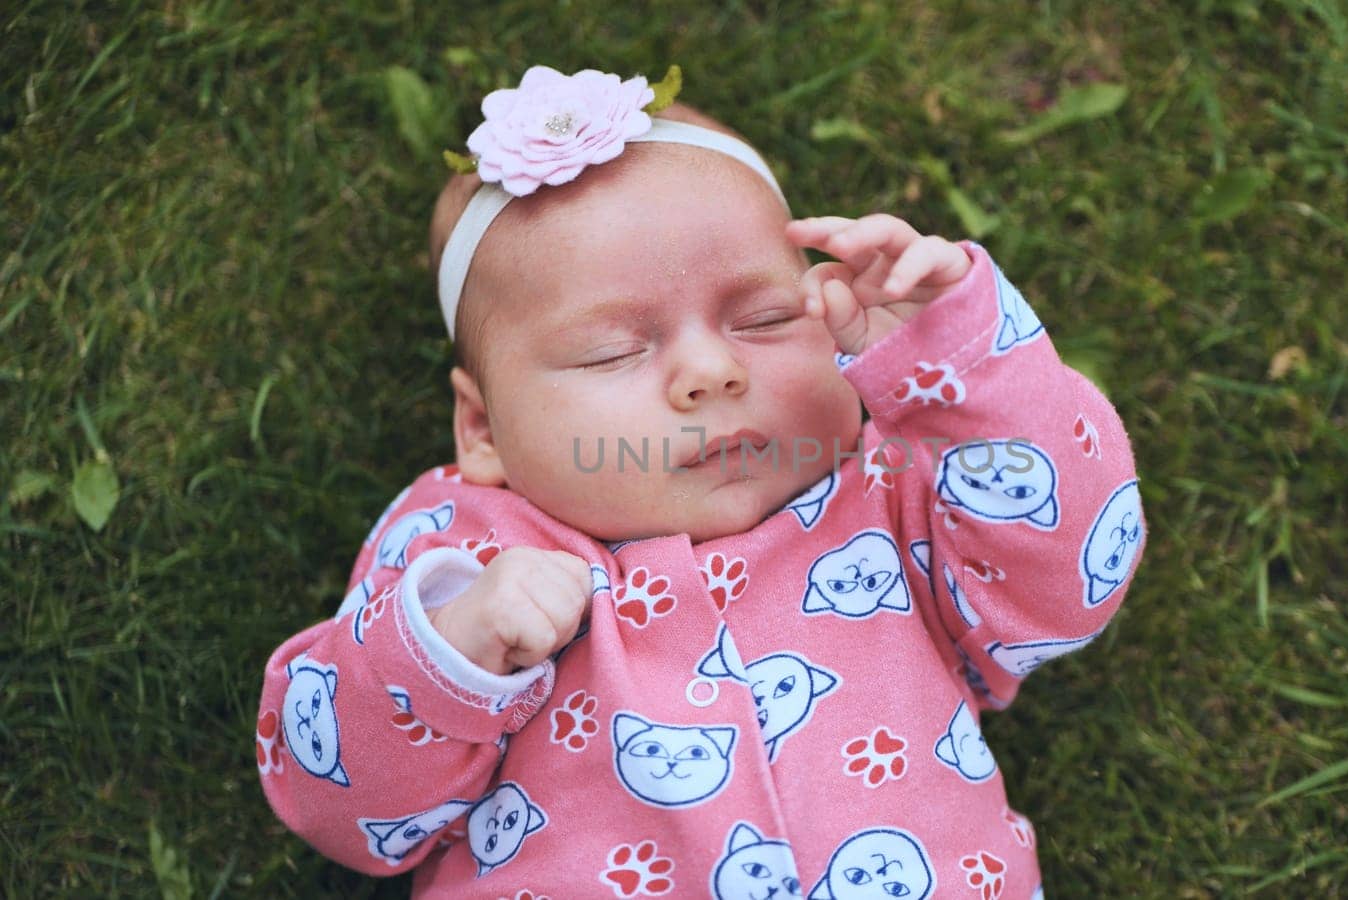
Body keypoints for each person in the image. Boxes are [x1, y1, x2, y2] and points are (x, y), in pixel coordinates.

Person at [256, 65, 1145, 899]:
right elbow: (346, 812)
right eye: (614, 350)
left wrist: (958, 371)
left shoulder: (894, 491)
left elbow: (1068, 587)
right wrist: (452, 647)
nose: (710, 370)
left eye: (762, 319)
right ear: (482, 429)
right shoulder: (460, 552)